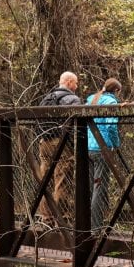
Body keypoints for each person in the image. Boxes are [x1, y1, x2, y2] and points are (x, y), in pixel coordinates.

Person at [37, 71, 81, 225]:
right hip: (61, 143)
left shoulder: (46, 98)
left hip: (44, 142)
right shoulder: (73, 99)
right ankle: (61, 219)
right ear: (69, 82)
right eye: (75, 83)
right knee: (62, 180)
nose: (77, 86)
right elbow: (76, 125)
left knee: (46, 181)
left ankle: (46, 219)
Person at [86, 78, 121, 235]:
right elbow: (111, 126)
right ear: (116, 91)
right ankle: (96, 228)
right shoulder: (111, 103)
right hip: (102, 149)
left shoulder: (91, 100)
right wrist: (115, 144)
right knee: (99, 189)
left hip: (88, 149)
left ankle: (87, 224)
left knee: (91, 187)